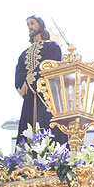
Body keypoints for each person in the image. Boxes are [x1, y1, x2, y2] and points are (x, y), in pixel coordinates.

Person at [14, 15, 68, 145]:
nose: (30, 26)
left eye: (32, 23)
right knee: (27, 131)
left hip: (47, 96)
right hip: (29, 98)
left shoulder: (52, 46)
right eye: (28, 24)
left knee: (49, 128)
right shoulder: (24, 53)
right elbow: (19, 70)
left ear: (40, 25)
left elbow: (49, 64)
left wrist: (30, 81)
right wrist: (22, 84)